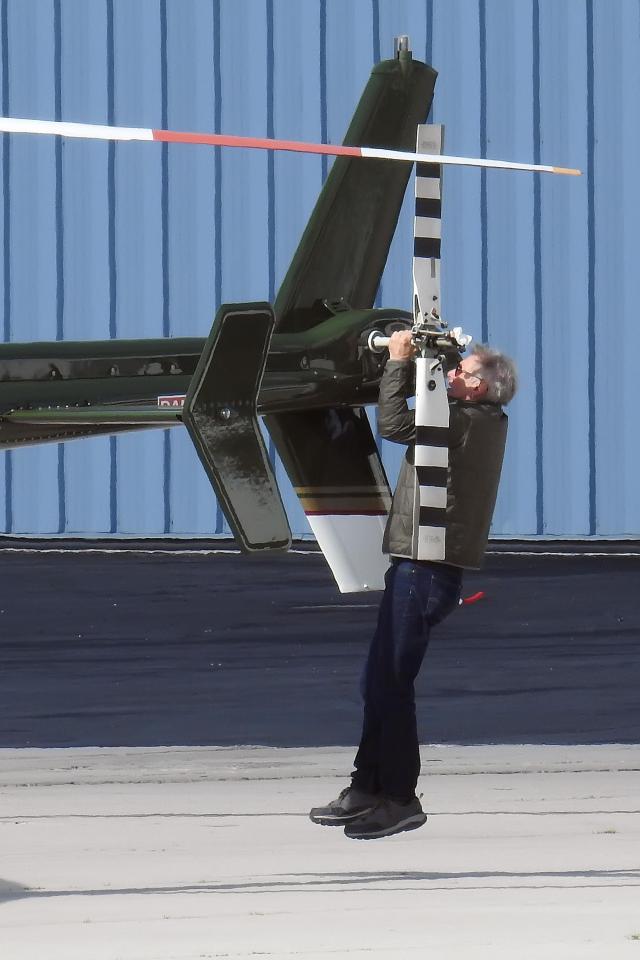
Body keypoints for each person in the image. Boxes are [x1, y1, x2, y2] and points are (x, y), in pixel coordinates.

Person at [309, 330, 517, 840]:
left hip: (426, 567)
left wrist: (399, 361)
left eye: (461, 372)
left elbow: (396, 423)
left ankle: (400, 797)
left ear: (482, 389)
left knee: (392, 685)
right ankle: (367, 786)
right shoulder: (472, 418)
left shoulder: (464, 421)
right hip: (415, 564)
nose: (450, 376)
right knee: (377, 681)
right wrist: (432, 349)